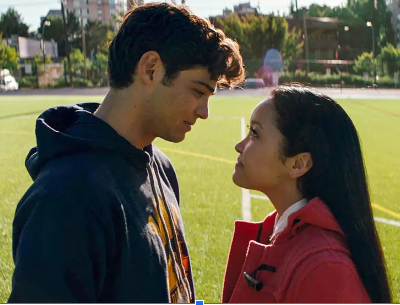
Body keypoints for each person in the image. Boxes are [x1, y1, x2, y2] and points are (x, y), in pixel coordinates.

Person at [9, 3, 244, 303]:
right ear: (150, 69)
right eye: (198, 91)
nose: (204, 112)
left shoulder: (160, 165)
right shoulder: (63, 199)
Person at [222, 85, 392, 303]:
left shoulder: (325, 269)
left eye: (255, 133)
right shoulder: (282, 233)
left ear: (298, 164)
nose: (239, 146)